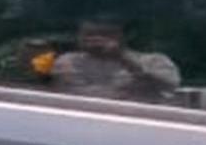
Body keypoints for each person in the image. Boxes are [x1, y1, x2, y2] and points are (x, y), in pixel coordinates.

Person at [47, 19, 181, 103]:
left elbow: (169, 85)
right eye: (89, 34)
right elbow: (74, 94)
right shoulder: (68, 61)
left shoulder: (154, 61)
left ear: (126, 36)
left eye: (105, 34)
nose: (95, 39)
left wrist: (123, 58)